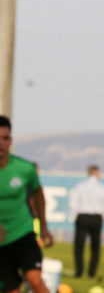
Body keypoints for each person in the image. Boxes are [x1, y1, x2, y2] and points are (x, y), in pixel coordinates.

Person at [0, 115, 53, 293]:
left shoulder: (24, 169)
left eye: (5, 138)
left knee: (35, 281)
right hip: (1, 243)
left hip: (23, 234)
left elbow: (38, 193)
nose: (1, 143)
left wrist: (44, 228)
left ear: (10, 141)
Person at [69, 165, 104, 278]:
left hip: (82, 217)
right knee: (95, 246)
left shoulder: (80, 186)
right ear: (96, 173)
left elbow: (73, 203)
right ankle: (92, 272)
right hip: (96, 218)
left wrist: (73, 216)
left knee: (79, 246)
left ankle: (79, 271)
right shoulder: (102, 187)